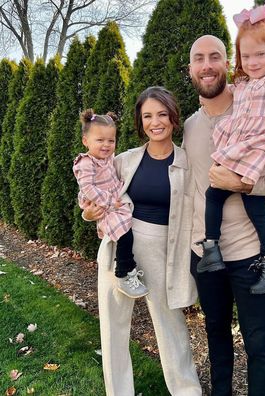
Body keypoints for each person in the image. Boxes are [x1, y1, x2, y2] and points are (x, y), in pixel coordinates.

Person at [185, 28, 265, 396]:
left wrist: (246, 185)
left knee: (257, 345)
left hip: (250, 254)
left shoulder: (257, 102)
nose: (207, 66)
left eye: (214, 57)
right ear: (190, 69)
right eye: (199, 59)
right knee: (216, 336)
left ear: (226, 63)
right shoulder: (189, 126)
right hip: (205, 255)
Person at [83, 87, 202, 396]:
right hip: (118, 247)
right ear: (140, 121)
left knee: (171, 329)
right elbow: (93, 190)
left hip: (163, 251)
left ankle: (187, 391)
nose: (155, 122)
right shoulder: (124, 160)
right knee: (112, 329)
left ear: (174, 118)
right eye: (147, 116)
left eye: (162, 114)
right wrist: (89, 214)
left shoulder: (187, 163)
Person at [197, 1, 265, 296]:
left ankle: (223, 251)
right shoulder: (243, 83)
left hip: (256, 152)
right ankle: (230, 252)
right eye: (246, 55)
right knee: (235, 201)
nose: (253, 62)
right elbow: (229, 106)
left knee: (229, 199)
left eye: (260, 55)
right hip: (239, 150)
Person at [73, 109, 148, 299]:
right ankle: (123, 272)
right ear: (85, 141)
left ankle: (127, 269)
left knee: (128, 231)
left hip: (113, 201)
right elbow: (87, 188)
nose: (106, 145)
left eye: (111, 140)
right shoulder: (85, 163)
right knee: (125, 234)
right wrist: (108, 202)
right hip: (102, 204)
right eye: (100, 140)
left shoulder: (108, 159)